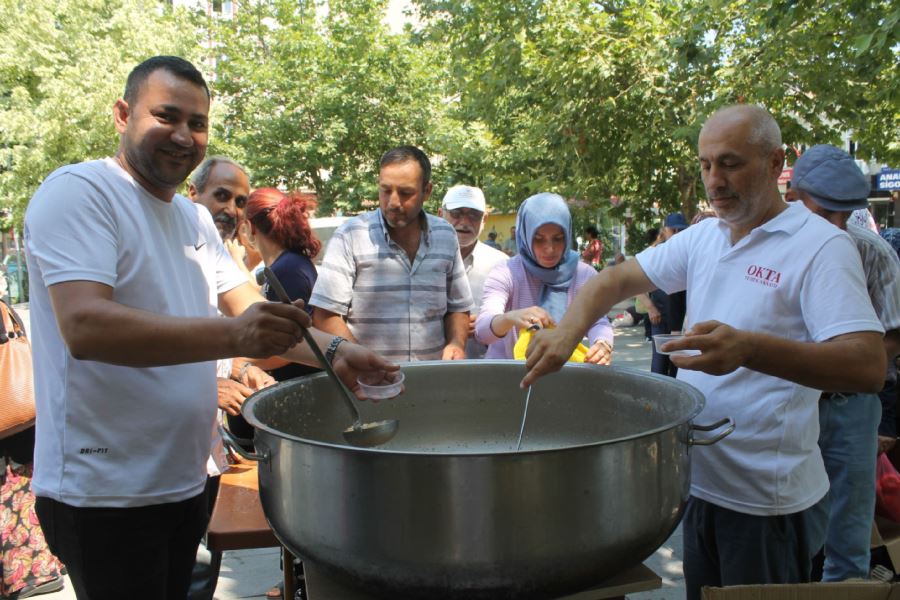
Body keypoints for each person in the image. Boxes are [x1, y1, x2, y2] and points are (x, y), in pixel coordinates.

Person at [23, 56, 397, 600]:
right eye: (166, 116)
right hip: (103, 491)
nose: (183, 135)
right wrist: (235, 338)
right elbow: (86, 326)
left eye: (197, 123)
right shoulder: (81, 192)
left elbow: (252, 311)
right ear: (123, 114)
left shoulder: (193, 218)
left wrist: (337, 351)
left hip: (186, 479)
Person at [522, 105, 885, 599]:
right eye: (706, 164)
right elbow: (615, 279)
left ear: (776, 162)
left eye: (731, 163)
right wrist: (568, 332)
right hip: (699, 483)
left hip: (766, 502)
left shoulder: (820, 246)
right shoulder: (706, 237)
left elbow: (866, 365)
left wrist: (748, 349)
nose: (715, 179)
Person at [788, 144, 900, 582]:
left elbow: (894, 332)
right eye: (824, 212)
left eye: (842, 214)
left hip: (851, 409)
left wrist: (848, 364)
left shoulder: (872, 251)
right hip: (793, 405)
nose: (833, 225)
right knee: (791, 530)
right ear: (795, 196)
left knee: (849, 540)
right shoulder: (774, 248)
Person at [310, 146, 473, 361]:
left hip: (432, 382)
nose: (393, 202)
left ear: (427, 191)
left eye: (405, 193)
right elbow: (325, 315)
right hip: (369, 385)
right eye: (385, 190)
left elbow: (458, 307)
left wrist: (456, 343)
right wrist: (359, 358)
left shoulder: (445, 235)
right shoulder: (351, 235)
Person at [475, 192, 613, 363]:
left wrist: (602, 344)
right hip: (508, 374)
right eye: (539, 239)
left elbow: (598, 321)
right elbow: (482, 330)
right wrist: (510, 317)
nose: (550, 249)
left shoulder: (584, 275)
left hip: (563, 372)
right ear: (525, 235)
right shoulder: (506, 272)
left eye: (558, 239)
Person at [437, 185, 508, 359]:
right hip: (431, 366)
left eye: (474, 215)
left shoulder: (502, 266)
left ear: (484, 219)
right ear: (440, 214)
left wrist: (490, 325)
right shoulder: (421, 260)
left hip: (483, 370)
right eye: (457, 213)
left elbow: (516, 323)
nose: (464, 222)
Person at [641, 212, 688, 377]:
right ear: (665, 231)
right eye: (673, 230)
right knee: (659, 366)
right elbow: (636, 286)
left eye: (680, 230)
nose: (676, 234)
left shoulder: (688, 254)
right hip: (660, 318)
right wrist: (650, 307)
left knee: (677, 367)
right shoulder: (656, 253)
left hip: (682, 323)